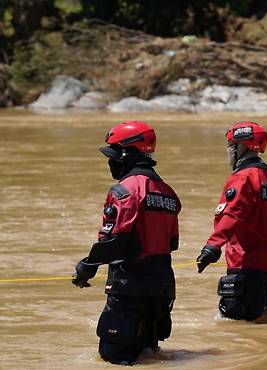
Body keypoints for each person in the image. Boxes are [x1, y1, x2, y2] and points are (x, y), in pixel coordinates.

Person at [71, 121, 181, 365]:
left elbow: (114, 239)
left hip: (129, 285)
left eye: (113, 155)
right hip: (162, 286)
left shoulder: (126, 190)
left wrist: (87, 266)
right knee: (149, 356)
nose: (110, 162)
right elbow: (172, 242)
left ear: (125, 154)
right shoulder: (168, 192)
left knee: (114, 359)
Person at [196, 121, 267, 321]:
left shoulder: (242, 178)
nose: (229, 152)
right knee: (263, 328)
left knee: (235, 330)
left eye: (231, 146)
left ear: (241, 147)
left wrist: (212, 247)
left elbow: (231, 215)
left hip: (246, 267)